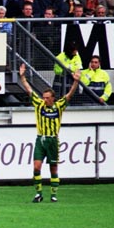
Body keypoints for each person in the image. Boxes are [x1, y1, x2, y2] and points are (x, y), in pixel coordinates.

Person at [18, 63, 80, 203]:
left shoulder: (59, 106)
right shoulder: (39, 104)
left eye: (47, 98)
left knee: (53, 168)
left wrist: (76, 81)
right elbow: (29, 90)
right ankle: (38, 193)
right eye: (44, 97)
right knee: (36, 166)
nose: (44, 99)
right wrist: (22, 77)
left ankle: (53, 194)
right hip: (40, 139)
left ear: (53, 98)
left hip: (52, 140)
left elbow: (69, 95)